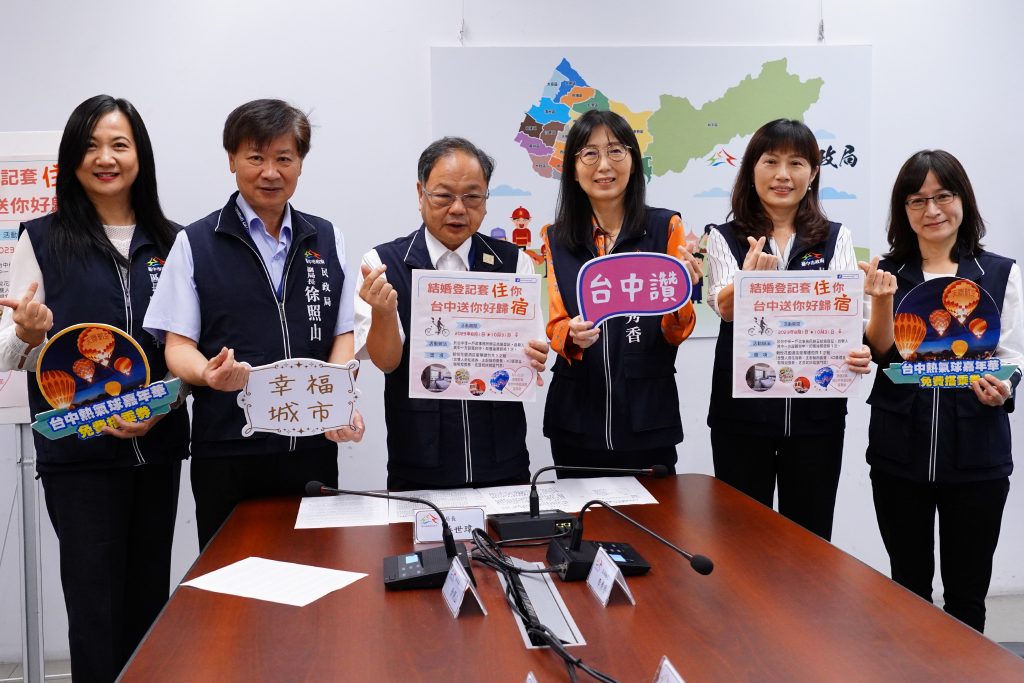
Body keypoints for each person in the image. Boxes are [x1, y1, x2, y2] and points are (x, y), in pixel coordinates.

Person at [0, 95, 189, 683]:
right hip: (79, 459)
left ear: (140, 156)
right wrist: (28, 335)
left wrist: (167, 403)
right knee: (94, 611)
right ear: (71, 159)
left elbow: (187, 349)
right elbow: (9, 351)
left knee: (150, 604)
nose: (105, 158)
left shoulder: (176, 242)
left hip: (156, 450)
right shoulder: (42, 239)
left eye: (119, 145)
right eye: (90, 146)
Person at [143, 99, 363, 549]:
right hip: (229, 449)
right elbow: (177, 346)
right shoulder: (195, 242)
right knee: (230, 579)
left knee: (318, 571)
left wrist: (339, 400)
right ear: (232, 160)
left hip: (312, 448)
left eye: (284, 158)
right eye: (256, 157)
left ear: (300, 163)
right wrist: (208, 373)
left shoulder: (326, 237)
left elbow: (343, 333)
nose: (270, 172)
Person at [860, 150, 1021, 632]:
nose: (932, 210)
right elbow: (882, 353)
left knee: (967, 595)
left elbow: (1012, 356)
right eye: (917, 200)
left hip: (977, 456)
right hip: (897, 453)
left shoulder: (999, 272)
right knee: (907, 590)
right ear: (903, 210)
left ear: (963, 200)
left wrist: (1002, 388)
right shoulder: (886, 272)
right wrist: (881, 301)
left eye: (943, 196)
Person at [704, 118, 872, 540]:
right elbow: (723, 308)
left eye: (796, 163)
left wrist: (858, 348)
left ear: (812, 173)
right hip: (741, 416)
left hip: (816, 417)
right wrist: (748, 282)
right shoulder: (724, 237)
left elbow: (847, 318)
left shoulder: (835, 238)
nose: (783, 175)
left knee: (811, 538)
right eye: (771, 161)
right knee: (741, 537)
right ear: (751, 170)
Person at [355, 136, 548, 491]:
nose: (458, 209)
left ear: (486, 200)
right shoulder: (382, 264)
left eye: (472, 197)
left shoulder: (513, 262)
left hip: (503, 461)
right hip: (420, 463)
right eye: (444, 196)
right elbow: (386, 362)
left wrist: (535, 355)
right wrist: (384, 313)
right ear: (421, 194)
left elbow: (532, 348)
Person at [543, 109, 702, 477]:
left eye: (615, 151)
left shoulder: (665, 227)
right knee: (581, 514)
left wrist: (682, 295)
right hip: (576, 416)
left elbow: (676, 332)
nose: (604, 165)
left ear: (633, 161)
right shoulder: (557, 237)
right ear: (573, 168)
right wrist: (571, 335)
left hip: (647, 414)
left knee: (656, 514)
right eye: (590, 153)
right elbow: (555, 324)